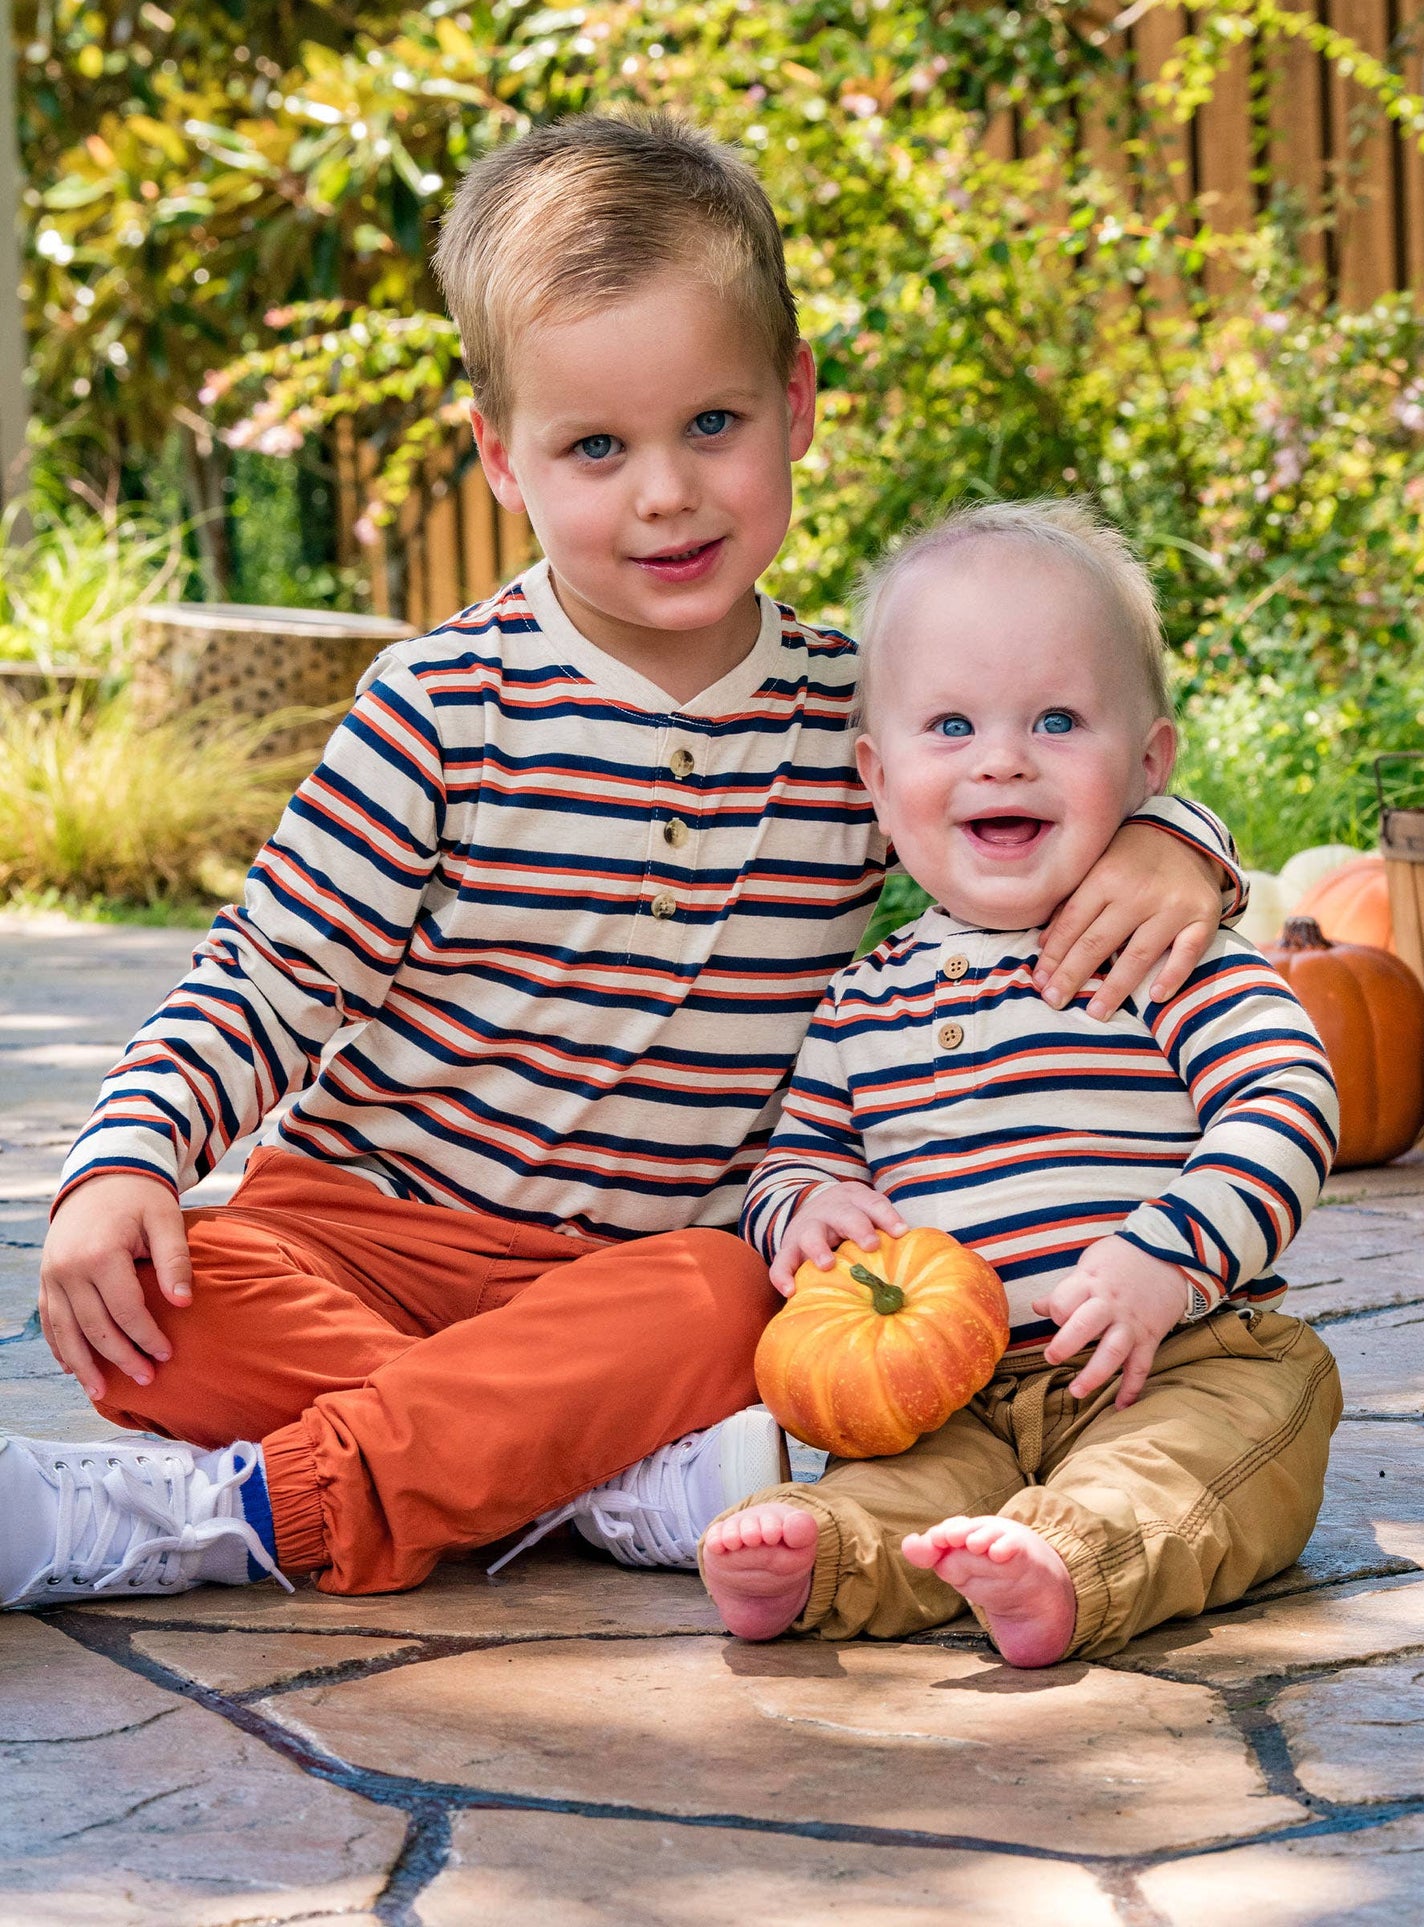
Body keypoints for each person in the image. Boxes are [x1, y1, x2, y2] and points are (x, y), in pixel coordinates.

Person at [2, 122, 1244, 1611]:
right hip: (361, 1234)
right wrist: (125, 1159)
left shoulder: (861, 720)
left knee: (735, 1295)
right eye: (597, 447)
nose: (665, 492)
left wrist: (1177, 840)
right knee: (162, 1309)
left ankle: (255, 1507)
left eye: (711, 423)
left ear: (795, 403)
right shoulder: (441, 705)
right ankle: (585, 1477)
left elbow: (1035, 795)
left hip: (644, 1277)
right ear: (501, 457)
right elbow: (265, 982)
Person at [702, 498, 1342, 1665]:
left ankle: (1072, 1559)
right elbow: (791, 1159)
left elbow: (1284, 1103)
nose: (1001, 757)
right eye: (950, 725)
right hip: (952, 1393)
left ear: (1147, 763)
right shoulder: (859, 1001)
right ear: (877, 778)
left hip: (1182, 1357)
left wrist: (1167, 1257)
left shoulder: (1158, 948)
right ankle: (818, 1558)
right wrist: (804, 1210)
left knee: (1197, 1463)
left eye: (1055, 719)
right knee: (902, 1484)